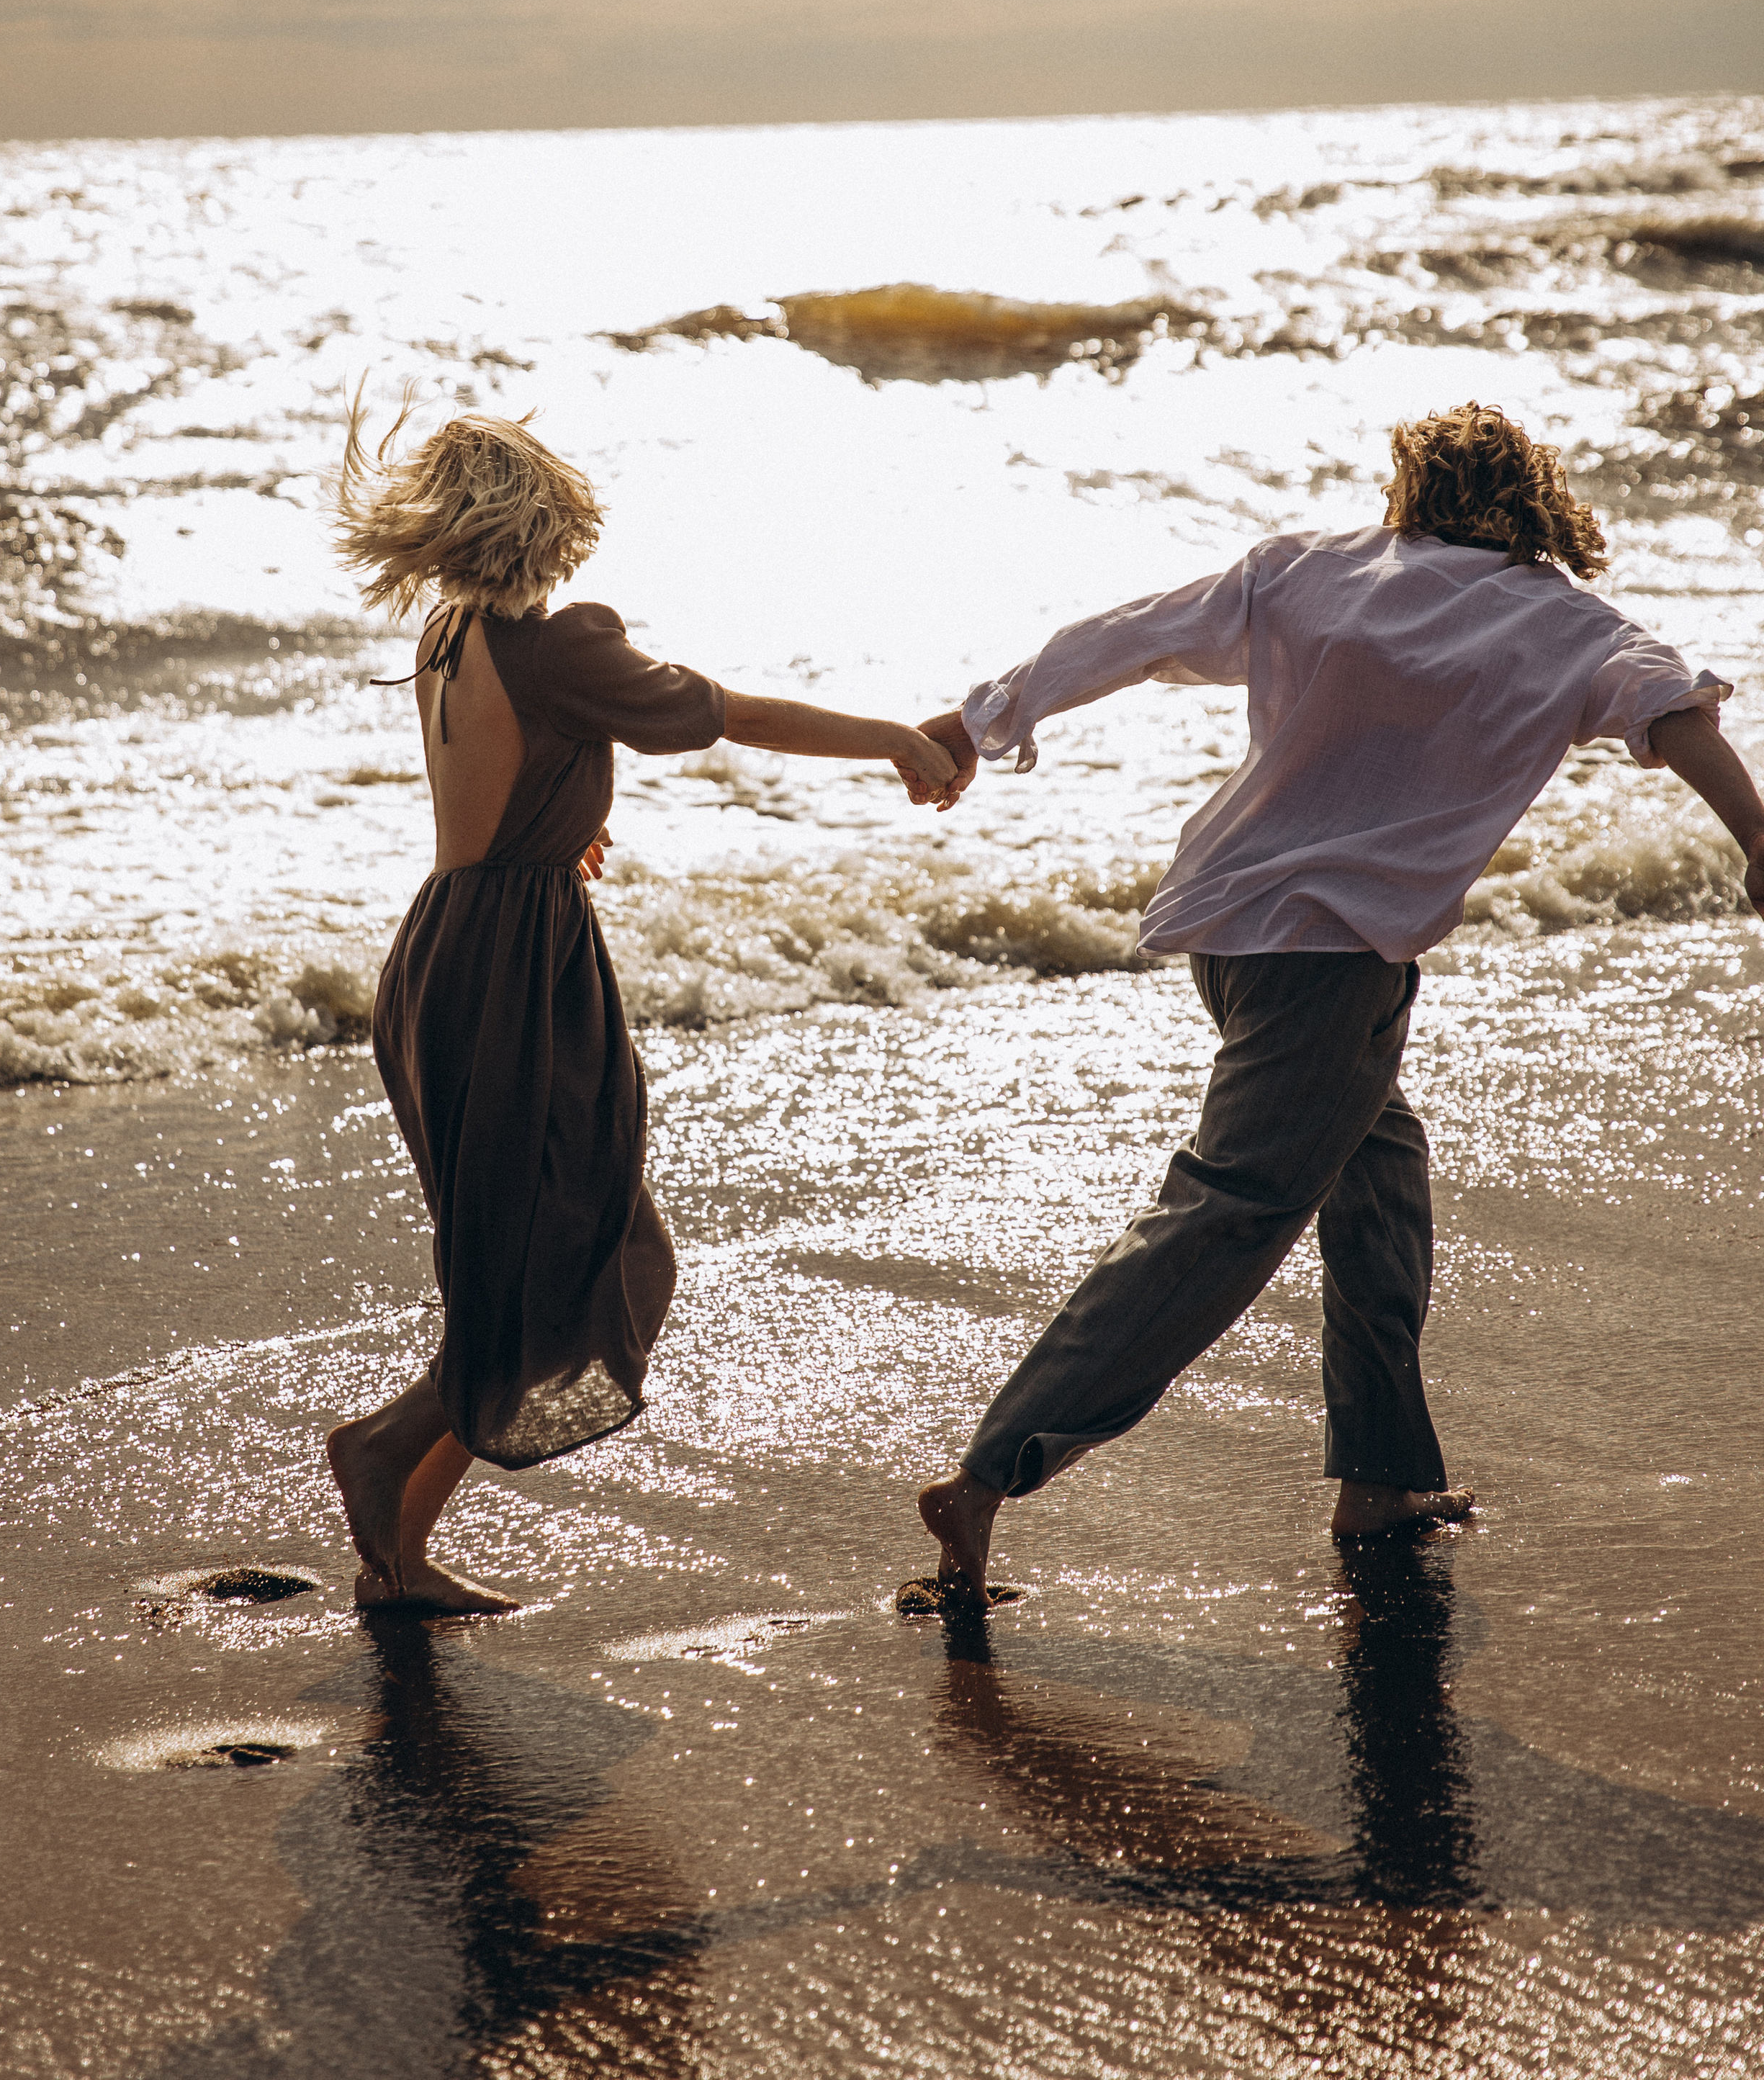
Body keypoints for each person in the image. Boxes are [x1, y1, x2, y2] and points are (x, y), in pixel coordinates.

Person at [914, 402, 1764, 1606]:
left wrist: (979, 719)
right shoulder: (1572, 623)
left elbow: (1136, 635)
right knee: (1230, 1210)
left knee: (1379, 1172)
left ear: (1410, 494)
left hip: (1231, 933)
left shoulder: (1309, 571)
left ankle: (1382, 1474)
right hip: (1335, 962)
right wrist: (1758, 836)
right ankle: (989, 1478)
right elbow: (1675, 713)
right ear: (1538, 505)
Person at [325, 401, 956, 1612]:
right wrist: (892, 739)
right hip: (515, 971)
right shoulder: (559, 646)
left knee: (533, 1257)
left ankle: (399, 1554)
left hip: (449, 948)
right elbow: (734, 715)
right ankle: (388, 1449)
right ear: (548, 522)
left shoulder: (451, 635)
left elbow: (501, 779)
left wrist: (573, 818)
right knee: (609, 1261)